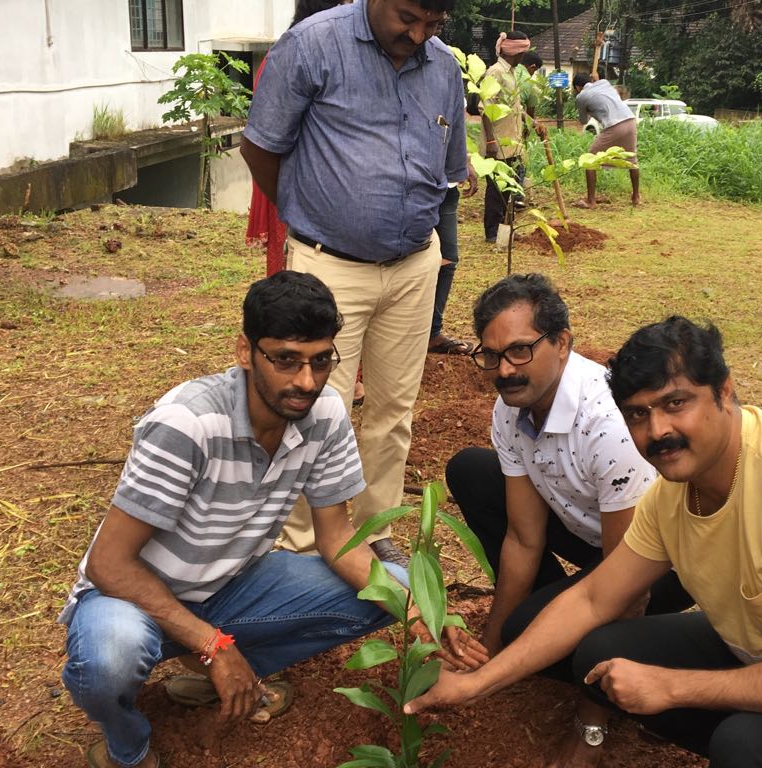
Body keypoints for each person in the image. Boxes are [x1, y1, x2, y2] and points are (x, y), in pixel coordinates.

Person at [410, 316, 762, 768]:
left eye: (676, 403)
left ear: (725, 391)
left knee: (745, 746)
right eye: (638, 414)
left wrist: (674, 687)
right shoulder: (675, 487)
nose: (657, 432)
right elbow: (593, 598)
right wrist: (478, 683)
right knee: (600, 649)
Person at [58, 272, 485, 768]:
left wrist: (420, 616)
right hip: (134, 596)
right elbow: (109, 564)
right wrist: (213, 645)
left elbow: (337, 537)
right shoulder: (188, 423)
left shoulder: (322, 413)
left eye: (321, 360)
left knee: (391, 585)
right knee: (110, 659)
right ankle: (127, 745)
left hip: (232, 584)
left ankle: (223, 674)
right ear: (246, 352)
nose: (306, 381)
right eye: (286, 359)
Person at [240, 0, 468, 563]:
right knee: (314, 407)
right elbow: (260, 145)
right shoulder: (313, 45)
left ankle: (375, 528)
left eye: (433, 25)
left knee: (394, 408)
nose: (417, 35)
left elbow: (449, 171)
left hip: (414, 265)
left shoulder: (443, 69)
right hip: (329, 265)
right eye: (408, 18)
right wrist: (307, 214)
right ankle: (299, 546)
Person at [446, 274, 692, 767]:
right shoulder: (510, 408)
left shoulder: (609, 423)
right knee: (472, 471)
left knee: (553, 636)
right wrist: (490, 652)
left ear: (561, 342)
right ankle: (550, 618)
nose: (504, 370)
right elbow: (522, 536)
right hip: (596, 532)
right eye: (491, 355)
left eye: (519, 350)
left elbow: (629, 585)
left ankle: (622, 677)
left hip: (662, 558)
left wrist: (590, 724)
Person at [245, 0, 340, 278]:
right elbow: (260, 141)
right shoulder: (294, 55)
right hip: (299, 182)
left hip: (319, 190)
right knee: (294, 274)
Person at [480, 30, 531, 243]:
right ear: (514, 52)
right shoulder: (495, 73)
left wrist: (529, 123)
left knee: (510, 189)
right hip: (498, 142)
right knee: (497, 190)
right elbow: (485, 108)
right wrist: (491, 141)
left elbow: (513, 107)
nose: (523, 57)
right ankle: (492, 233)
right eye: (522, 52)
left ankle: (505, 232)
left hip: (513, 142)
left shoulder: (511, 73)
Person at [429, 165, 478, 356]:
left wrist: (463, 161)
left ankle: (432, 332)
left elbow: (454, 134)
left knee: (447, 259)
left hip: (446, 186)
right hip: (415, 187)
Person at [572, 73, 640, 208]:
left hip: (614, 125)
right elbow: (599, 85)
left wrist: (589, 111)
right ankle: (636, 197)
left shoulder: (581, 96)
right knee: (632, 160)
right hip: (630, 121)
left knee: (589, 160)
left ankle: (591, 201)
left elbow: (583, 121)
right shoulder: (605, 83)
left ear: (578, 87)